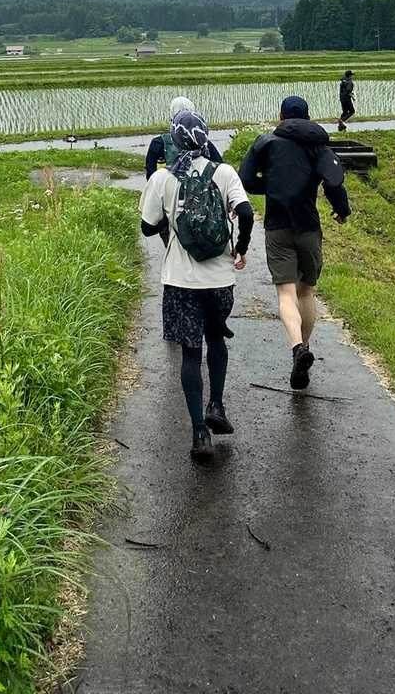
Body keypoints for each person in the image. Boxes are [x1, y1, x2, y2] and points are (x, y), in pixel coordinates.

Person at [140, 110, 255, 462]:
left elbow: (147, 227)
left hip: (180, 282)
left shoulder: (163, 178)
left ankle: (199, 433)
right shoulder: (224, 172)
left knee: (191, 353)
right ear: (206, 138)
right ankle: (216, 405)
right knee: (216, 339)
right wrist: (241, 247)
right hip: (220, 279)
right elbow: (246, 212)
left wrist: (172, 216)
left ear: (174, 140)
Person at [238, 95, 350, 391]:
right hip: (308, 227)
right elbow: (334, 181)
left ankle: (297, 347)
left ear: (281, 116)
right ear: (307, 117)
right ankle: (305, 346)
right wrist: (342, 210)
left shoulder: (266, 142)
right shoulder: (318, 146)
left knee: (286, 293)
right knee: (307, 291)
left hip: (277, 227)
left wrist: (272, 186)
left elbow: (245, 178)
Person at [145, 95, 223, 177]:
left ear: (172, 117)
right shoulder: (204, 143)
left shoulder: (158, 143)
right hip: (200, 184)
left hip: (166, 184)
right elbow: (219, 168)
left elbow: (150, 175)